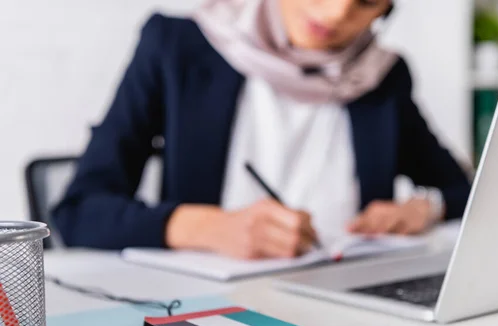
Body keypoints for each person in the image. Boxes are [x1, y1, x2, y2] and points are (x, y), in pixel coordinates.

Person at [52, 0, 472, 260]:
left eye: (365, 1)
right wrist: (209, 228)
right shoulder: (176, 46)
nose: (336, 11)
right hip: (208, 313)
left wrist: (423, 208)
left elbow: (463, 190)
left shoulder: (382, 76)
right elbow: (78, 211)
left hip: (352, 307)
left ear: (385, 9)